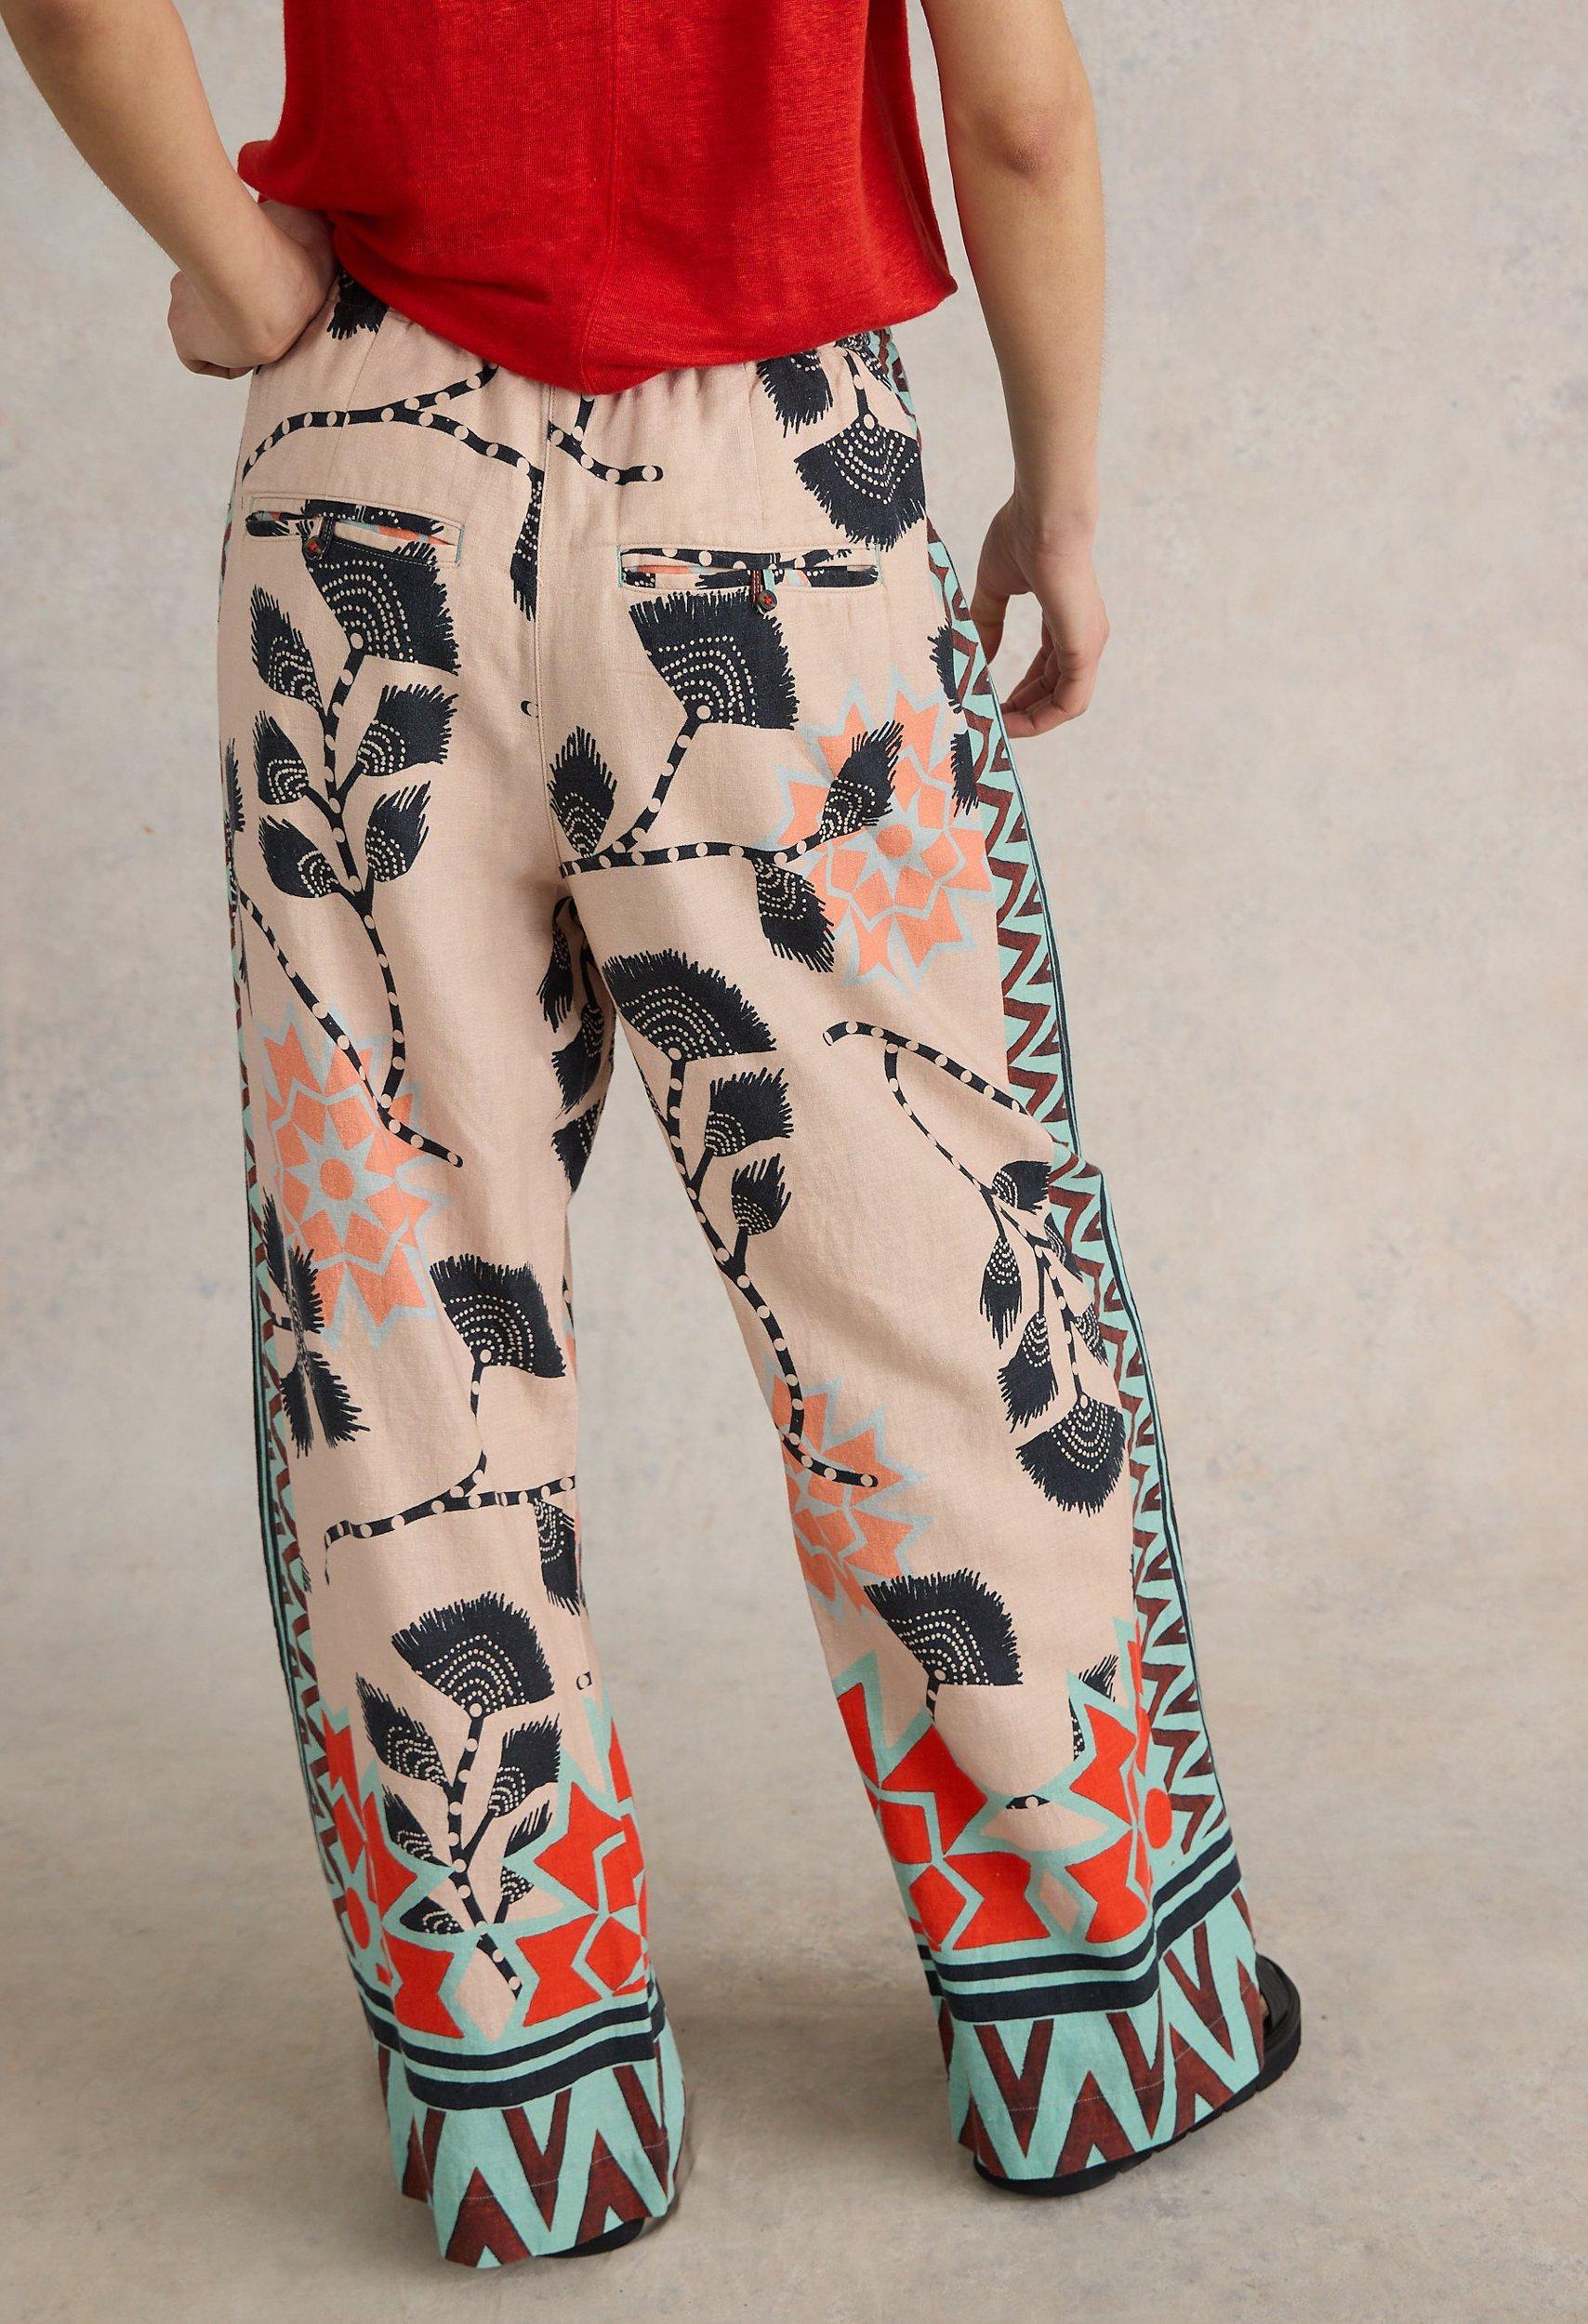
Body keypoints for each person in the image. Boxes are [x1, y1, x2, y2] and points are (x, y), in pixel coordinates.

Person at [5, 0, 1299, 2267]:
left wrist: (229, 252)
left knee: (398, 1301)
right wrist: (1058, 495)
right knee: (915, 1261)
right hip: (773, 500)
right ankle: (1097, 2011)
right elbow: (1013, 111)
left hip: (367, 471)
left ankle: (523, 2099)